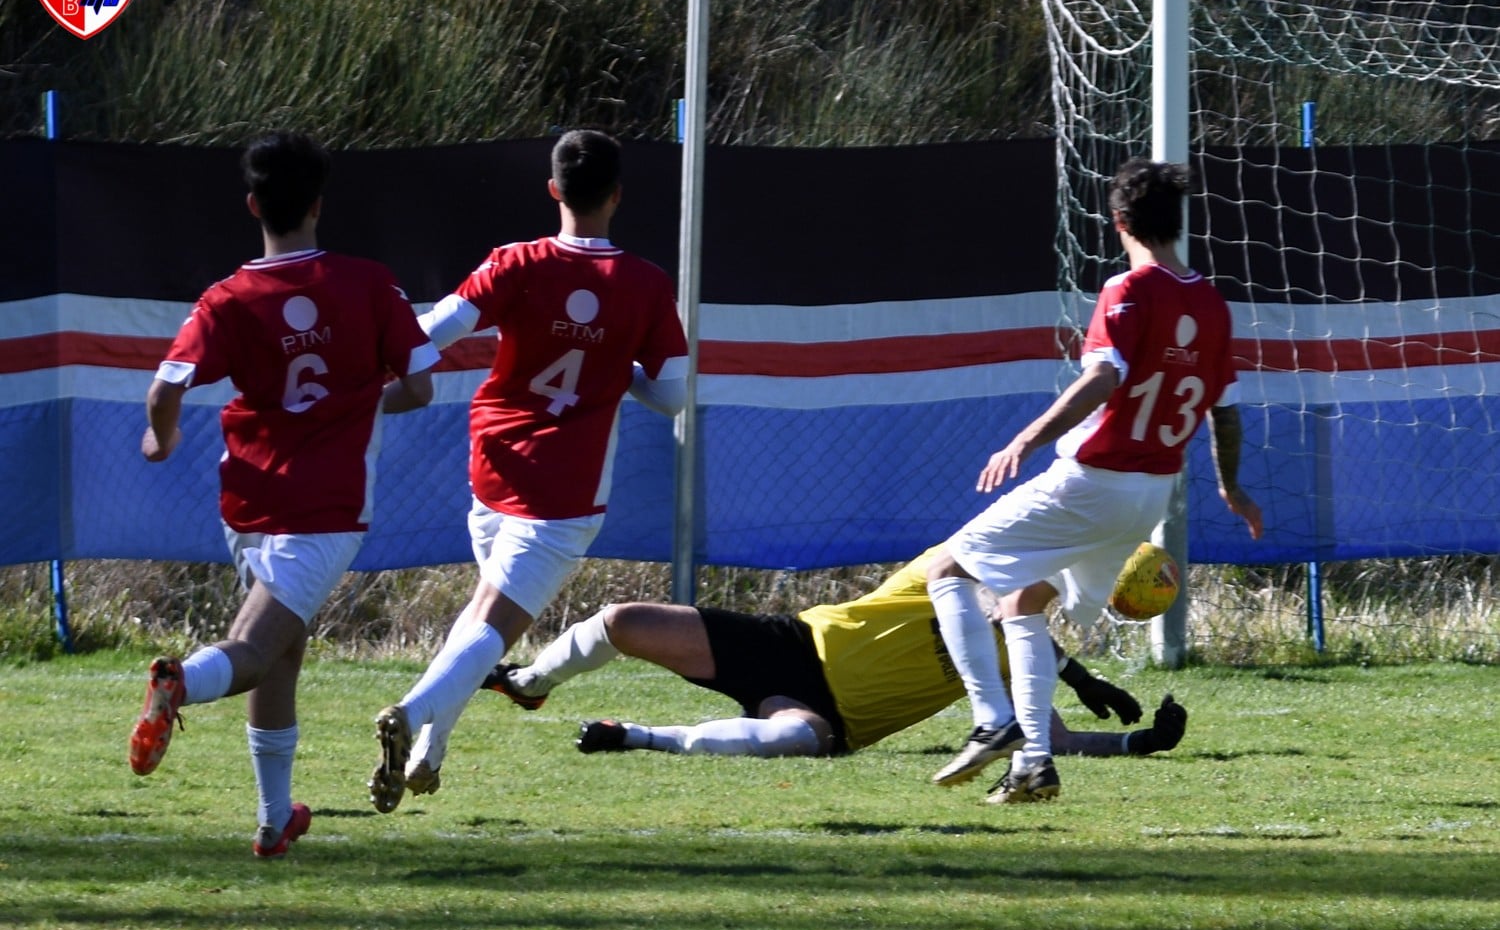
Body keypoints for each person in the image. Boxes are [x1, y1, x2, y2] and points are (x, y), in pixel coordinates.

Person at [128, 130, 439, 857]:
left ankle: (275, 822)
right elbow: (421, 387)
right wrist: (356, 400)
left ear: (252, 205)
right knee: (254, 648)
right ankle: (178, 684)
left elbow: (166, 386)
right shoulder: (368, 284)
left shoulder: (228, 298)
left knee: (284, 652)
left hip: (247, 502)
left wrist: (161, 439)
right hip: (324, 512)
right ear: (318, 205)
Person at [369, 128, 689, 813]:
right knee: (493, 627)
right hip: (564, 493)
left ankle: (430, 749)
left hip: (493, 463)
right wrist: (618, 370)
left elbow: (433, 330)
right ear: (618, 196)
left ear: (554, 191)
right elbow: (671, 395)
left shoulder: (514, 262)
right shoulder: (644, 283)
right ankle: (411, 709)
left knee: (483, 614)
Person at [925, 158, 1263, 802]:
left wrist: (1024, 439)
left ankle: (992, 720)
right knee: (1022, 602)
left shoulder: (1128, 291)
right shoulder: (1213, 305)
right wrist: (1233, 487)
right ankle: (1032, 764)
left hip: (1091, 481)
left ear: (1119, 222)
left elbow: (1104, 378)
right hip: (1148, 499)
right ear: (1177, 221)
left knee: (947, 572)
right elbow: (1226, 409)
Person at [481, 546, 1188, 786]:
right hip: (789, 644)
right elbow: (977, 596)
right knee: (622, 621)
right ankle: (528, 683)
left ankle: (635, 735)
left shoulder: (1017, 652)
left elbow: (1051, 740)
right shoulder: (950, 573)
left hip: (829, 720)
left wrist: (1136, 742)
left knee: (795, 741)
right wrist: (1079, 672)